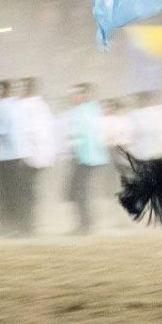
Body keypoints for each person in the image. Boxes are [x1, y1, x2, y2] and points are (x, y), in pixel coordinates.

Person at [62, 83, 108, 235]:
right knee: (79, 191)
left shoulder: (84, 111)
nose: (74, 97)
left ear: (86, 94)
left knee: (78, 191)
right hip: (87, 157)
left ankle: (85, 225)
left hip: (84, 157)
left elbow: (79, 136)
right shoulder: (93, 110)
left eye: (78, 94)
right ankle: (86, 223)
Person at [0, 80, 31, 237]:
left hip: (5, 155)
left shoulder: (1, 106)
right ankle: (15, 226)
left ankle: (9, 227)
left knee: (6, 193)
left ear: (4, 90)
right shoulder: (17, 105)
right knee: (14, 192)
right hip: (17, 154)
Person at [19, 77, 56, 235]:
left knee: (26, 190)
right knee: (31, 189)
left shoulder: (26, 106)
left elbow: (29, 132)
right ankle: (31, 224)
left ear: (27, 88)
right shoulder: (43, 106)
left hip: (30, 155)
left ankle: (28, 225)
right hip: (41, 155)